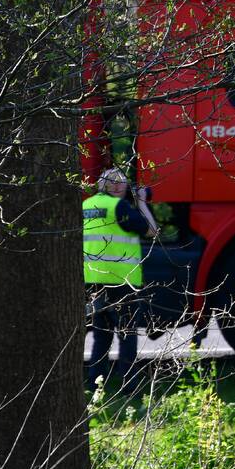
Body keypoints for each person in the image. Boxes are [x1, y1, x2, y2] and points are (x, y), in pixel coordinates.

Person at [83, 168, 158, 393]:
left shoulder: (86, 206)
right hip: (121, 280)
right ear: (103, 185)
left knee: (101, 336)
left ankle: (94, 385)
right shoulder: (120, 207)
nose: (118, 186)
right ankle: (129, 387)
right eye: (113, 182)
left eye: (121, 182)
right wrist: (142, 202)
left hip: (93, 279)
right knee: (127, 335)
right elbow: (152, 231)